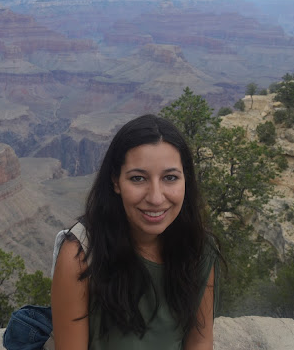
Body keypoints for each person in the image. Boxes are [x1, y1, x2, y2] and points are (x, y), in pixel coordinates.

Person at [51, 114, 220, 350]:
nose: (156, 197)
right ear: (116, 181)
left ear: (186, 180)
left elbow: (200, 341)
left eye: (170, 178)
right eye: (138, 178)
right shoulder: (80, 255)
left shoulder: (199, 249)